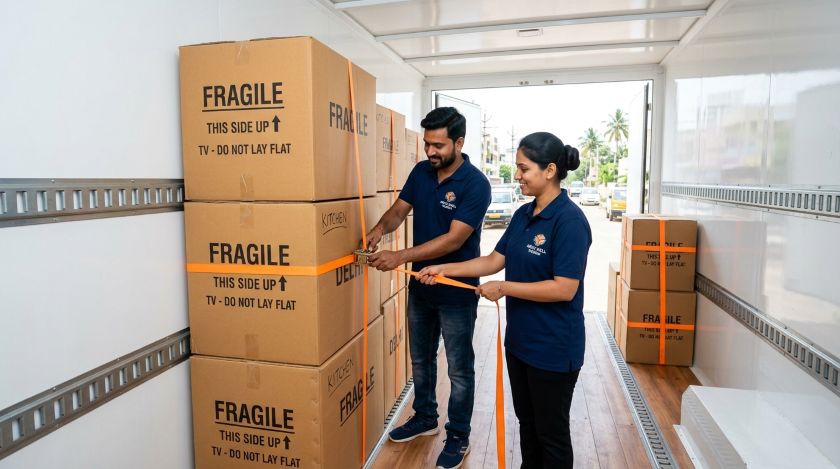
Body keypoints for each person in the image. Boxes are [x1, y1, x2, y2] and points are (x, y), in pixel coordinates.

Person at [417, 132, 591, 469]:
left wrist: (506, 288)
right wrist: (441, 268)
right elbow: (492, 261)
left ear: (550, 170)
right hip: (521, 344)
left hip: (554, 349)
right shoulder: (525, 215)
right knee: (527, 425)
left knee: (551, 434)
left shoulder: (570, 221)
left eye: (524, 168)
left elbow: (564, 288)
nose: (518, 175)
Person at [363, 106, 491, 469]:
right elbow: (398, 212)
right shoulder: (421, 172)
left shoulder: (476, 184)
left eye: (438, 145)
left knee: (459, 368)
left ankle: (458, 435)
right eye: (427, 144)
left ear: (459, 142)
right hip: (421, 288)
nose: (430, 152)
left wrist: (401, 255)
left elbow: (454, 240)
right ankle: (425, 417)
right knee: (419, 359)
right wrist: (378, 230)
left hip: (456, 290)